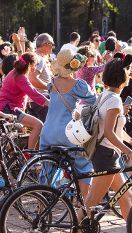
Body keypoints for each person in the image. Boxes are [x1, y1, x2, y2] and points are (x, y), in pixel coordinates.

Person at [81, 55, 132, 232]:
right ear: (123, 77)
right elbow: (109, 132)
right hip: (106, 154)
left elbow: (115, 129)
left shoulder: (105, 95)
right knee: (92, 202)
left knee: (126, 195)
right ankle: (76, 228)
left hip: (108, 153)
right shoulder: (115, 100)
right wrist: (129, 152)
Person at [40, 49, 96, 197]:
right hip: (67, 133)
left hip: (47, 132)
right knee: (85, 166)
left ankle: (40, 202)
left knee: (46, 169)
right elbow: (94, 101)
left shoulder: (51, 83)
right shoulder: (78, 84)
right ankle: (83, 204)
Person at [0, 52, 49, 149]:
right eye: (35, 65)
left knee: (12, 144)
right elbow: (33, 93)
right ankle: (30, 155)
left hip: (2, 108)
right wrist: (50, 103)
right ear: (30, 65)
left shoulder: (15, 73)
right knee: (38, 125)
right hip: (7, 109)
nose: (36, 67)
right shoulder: (20, 76)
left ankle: (15, 160)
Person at [27, 33, 55, 123]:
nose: (53, 47)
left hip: (35, 100)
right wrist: (50, 87)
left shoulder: (36, 57)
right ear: (46, 44)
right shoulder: (39, 59)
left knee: (40, 129)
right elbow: (32, 79)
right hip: (41, 99)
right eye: (52, 44)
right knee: (49, 128)